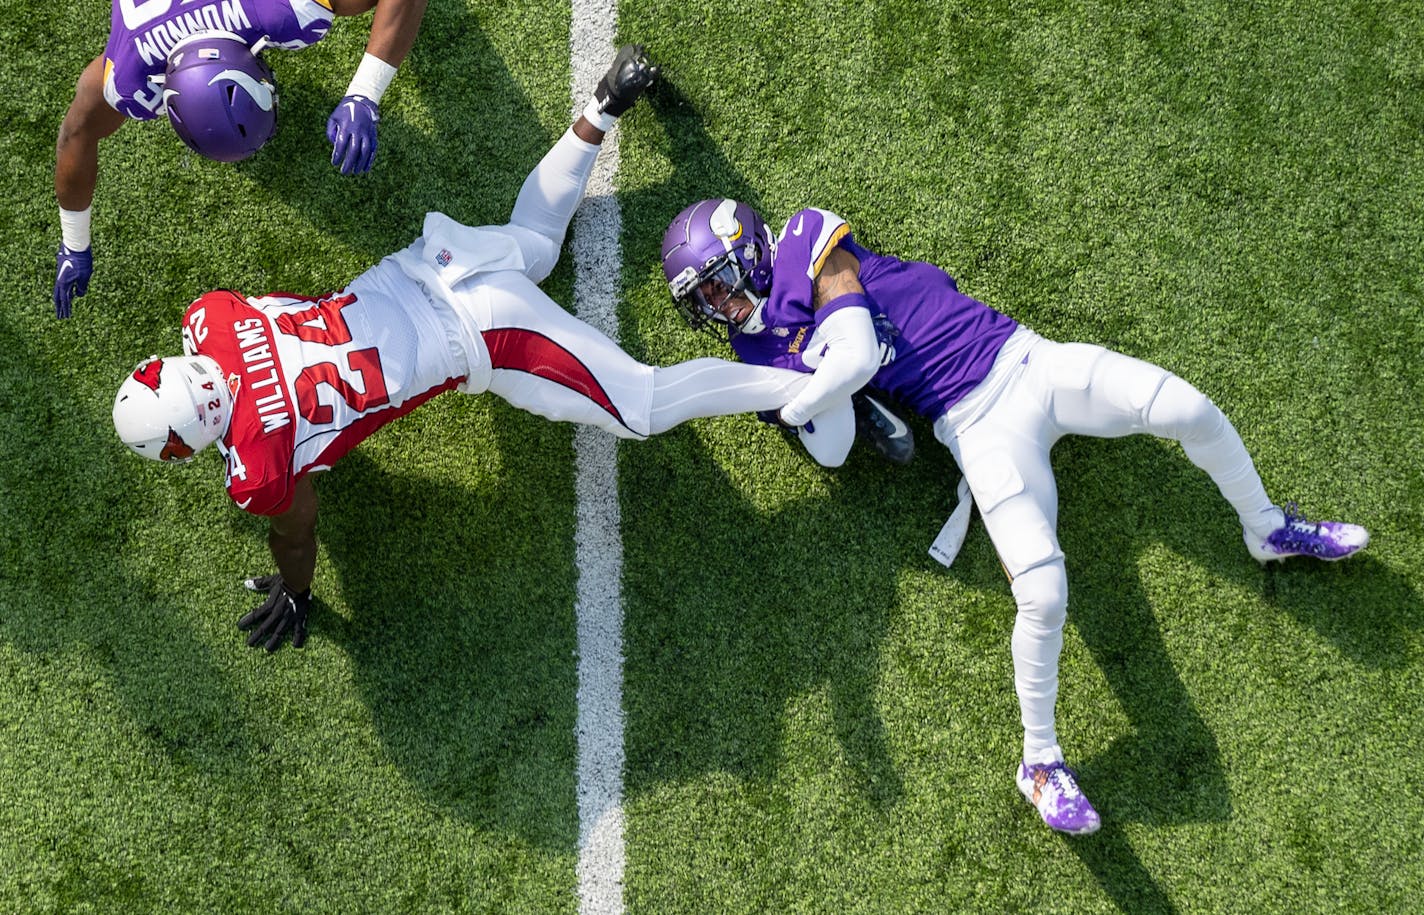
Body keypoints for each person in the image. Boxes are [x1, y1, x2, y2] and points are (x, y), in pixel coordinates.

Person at [659, 198, 1370, 836]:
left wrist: (805, 395)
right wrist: (814, 396)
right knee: (1043, 592)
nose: (720, 306)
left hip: (1027, 360)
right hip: (974, 429)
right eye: (705, 301)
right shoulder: (753, 349)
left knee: (1186, 407)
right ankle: (1040, 762)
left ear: (747, 247)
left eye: (718, 283)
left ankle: (1265, 525)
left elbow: (853, 350)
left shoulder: (804, 240)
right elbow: (839, 452)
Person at [109, 47, 818, 655]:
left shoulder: (256, 467)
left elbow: (296, 530)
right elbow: (266, 337)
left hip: (481, 331)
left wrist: (297, 590)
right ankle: (606, 101)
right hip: (432, 260)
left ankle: (795, 380)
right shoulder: (211, 318)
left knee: (639, 406)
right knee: (534, 246)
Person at [54, 0, 430, 317]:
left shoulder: (128, 78)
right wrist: (74, 241)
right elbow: (76, 132)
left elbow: (76, 132)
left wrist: (366, 93)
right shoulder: (128, 75)